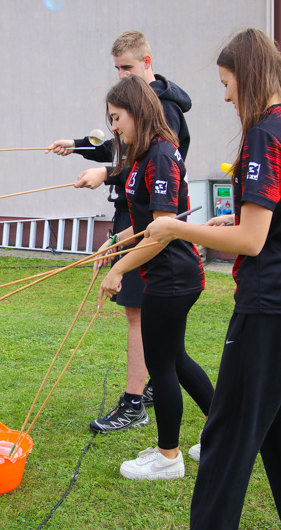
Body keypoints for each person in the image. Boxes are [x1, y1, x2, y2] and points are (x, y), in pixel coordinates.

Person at [146, 28, 281, 528]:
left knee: (226, 440)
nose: (226, 95)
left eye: (227, 83)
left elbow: (254, 242)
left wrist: (174, 226)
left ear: (248, 77)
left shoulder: (264, 134)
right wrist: (234, 219)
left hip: (270, 309)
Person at [47, 30, 193, 433]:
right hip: (132, 222)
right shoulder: (133, 110)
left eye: (128, 67)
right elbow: (118, 143)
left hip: (149, 228)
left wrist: (107, 172)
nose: (122, 75)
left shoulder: (165, 116)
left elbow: (147, 162)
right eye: (117, 69)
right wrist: (78, 145)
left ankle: (135, 400)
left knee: (141, 318)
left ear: (148, 62)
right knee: (161, 339)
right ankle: (151, 388)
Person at [97, 74, 213, 480]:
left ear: (137, 111)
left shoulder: (162, 155)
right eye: (110, 120)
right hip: (168, 274)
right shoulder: (146, 154)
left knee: (162, 365)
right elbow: (147, 223)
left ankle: (168, 458)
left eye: (117, 117)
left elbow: (162, 233)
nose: (114, 127)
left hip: (172, 276)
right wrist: (114, 242)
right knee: (176, 360)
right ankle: (223, 432)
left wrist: (118, 269)